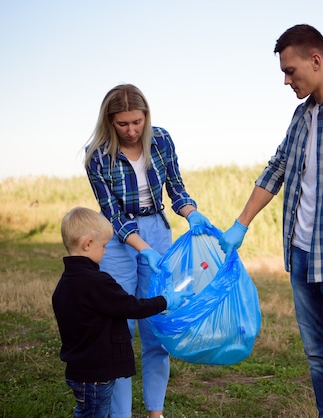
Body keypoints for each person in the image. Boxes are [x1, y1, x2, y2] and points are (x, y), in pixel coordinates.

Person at [219, 24, 323, 417]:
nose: (286, 80)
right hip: (301, 255)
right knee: (317, 357)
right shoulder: (301, 115)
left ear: (316, 60)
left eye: (290, 70)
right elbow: (277, 169)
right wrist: (240, 224)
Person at [84, 84, 212, 418]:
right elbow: (110, 212)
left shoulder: (162, 140)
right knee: (120, 327)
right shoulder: (96, 154)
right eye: (122, 124)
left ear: (146, 117)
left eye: (137, 122)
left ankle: (155, 412)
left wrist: (191, 212)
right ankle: (121, 413)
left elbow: (176, 188)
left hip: (156, 229)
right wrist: (142, 249)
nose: (131, 130)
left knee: (156, 321)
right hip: (114, 238)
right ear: (109, 122)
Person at [52, 206, 192, 418]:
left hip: (77, 371)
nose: (106, 252)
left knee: (87, 411)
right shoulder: (98, 283)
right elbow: (131, 307)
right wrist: (165, 301)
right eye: (104, 246)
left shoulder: (64, 284)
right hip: (97, 374)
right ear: (88, 244)